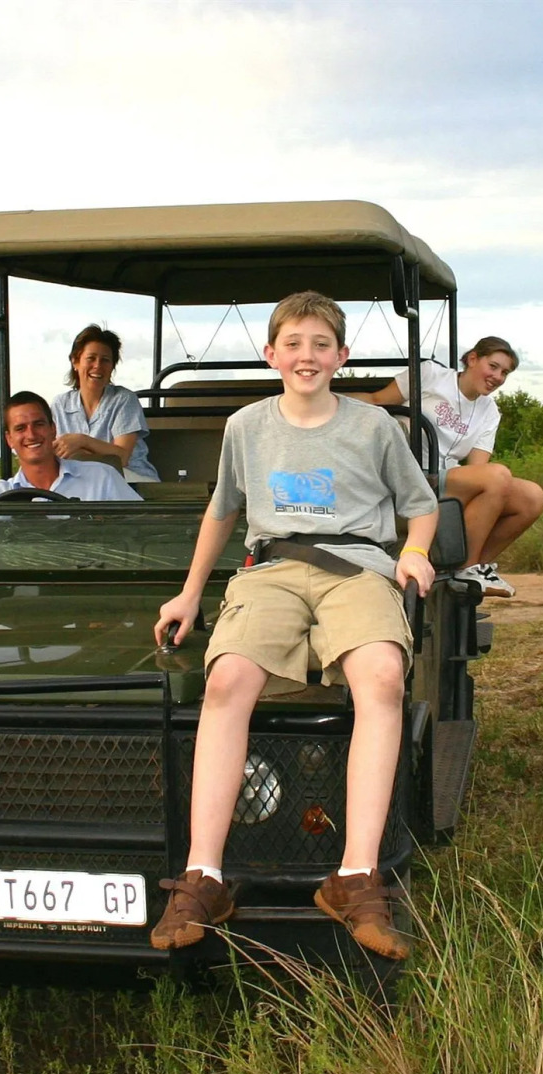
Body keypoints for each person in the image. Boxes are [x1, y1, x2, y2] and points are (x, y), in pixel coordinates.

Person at [149, 291, 437, 961]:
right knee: (225, 681)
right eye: (294, 343)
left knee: (383, 676)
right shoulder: (245, 426)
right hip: (271, 568)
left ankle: (356, 877)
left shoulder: (373, 428)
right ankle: (204, 877)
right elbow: (221, 513)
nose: (306, 355)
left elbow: (420, 507)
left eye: (319, 344)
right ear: (269, 352)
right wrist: (189, 595)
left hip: (356, 567)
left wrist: (415, 553)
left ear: (341, 355)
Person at [359, 336, 543, 598]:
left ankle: (473, 565)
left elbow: (479, 467)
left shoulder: (489, 410)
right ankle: (466, 567)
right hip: (410, 474)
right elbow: (377, 399)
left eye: (505, 373)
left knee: (532, 497)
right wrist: (323, 398)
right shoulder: (432, 375)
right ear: (472, 359)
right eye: (493, 366)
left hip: (445, 478)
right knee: (498, 476)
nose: (498, 377)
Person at [0, 391, 142, 502]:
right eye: (20, 428)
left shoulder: (102, 478)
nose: (31, 434)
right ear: (9, 439)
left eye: (39, 424)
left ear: (53, 429)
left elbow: (146, 523)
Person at [50, 325, 160, 483]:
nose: (98, 366)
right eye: (91, 358)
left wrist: (82, 441)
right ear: (75, 361)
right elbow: (56, 453)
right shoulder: (60, 404)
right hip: (81, 478)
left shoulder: (124, 400)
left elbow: (121, 457)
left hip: (131, 479)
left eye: (105, 360)